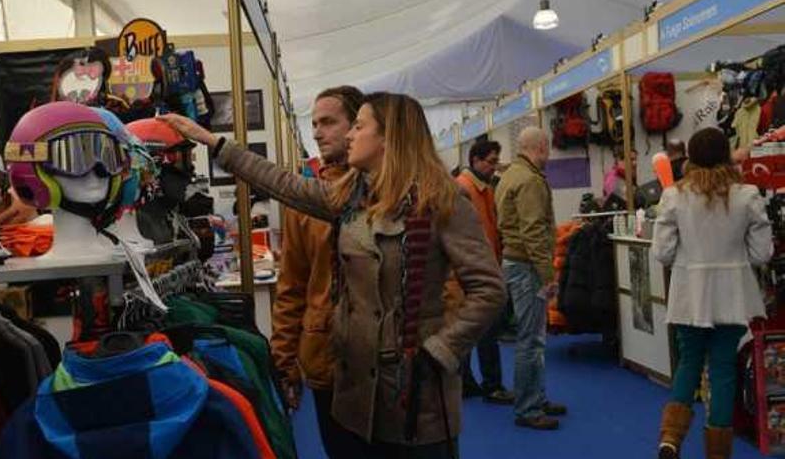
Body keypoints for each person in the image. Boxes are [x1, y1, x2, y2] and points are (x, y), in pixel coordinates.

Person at [159, 92, 506, 457]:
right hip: (354, 386)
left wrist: (441, 350)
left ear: (390, 136)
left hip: (414, 391)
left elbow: (489, 289)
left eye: (359, 126)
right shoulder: (349, 197)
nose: (350, 136)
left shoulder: (442, 201)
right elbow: (281, 183)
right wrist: (214, 143)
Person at [652, 128, 772, 459]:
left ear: (689, 156)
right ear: (726, 154)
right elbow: (762, 253)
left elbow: (662, 252)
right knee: (722, 369)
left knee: (688, 363)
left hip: (689, 294)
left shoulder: (674, 196)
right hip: (732, 295)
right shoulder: (747, 195)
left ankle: (670, 438)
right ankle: (718, 453)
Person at [272, 85, 364, 458]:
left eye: (328, 122)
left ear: (357, 126)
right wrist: (285, 366)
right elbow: (291, 287)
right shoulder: (305, 202)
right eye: (314, 124)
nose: (317, 132)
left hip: (383, 358)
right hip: (324, 352)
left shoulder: (386, 192)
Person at [495, 127, 567, 431]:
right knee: (532, 339)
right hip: (527, 267)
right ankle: (528, 407)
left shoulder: (511, 175)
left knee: (531, 337)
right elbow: (534, 231)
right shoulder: (530, 181)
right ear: (542, 147)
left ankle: (534, 397)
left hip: (515, 262)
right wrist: (548, 275)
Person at [446, 140, 514, 405]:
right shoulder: (464, 189)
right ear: (475, 160)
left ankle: (468, 382)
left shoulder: (482, 188)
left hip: (477, 269)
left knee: (473, 331)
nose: (494, 167)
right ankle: (491, 385)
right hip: (473, 272)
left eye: (496, 161)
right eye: (491, 161)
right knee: (486, 331)